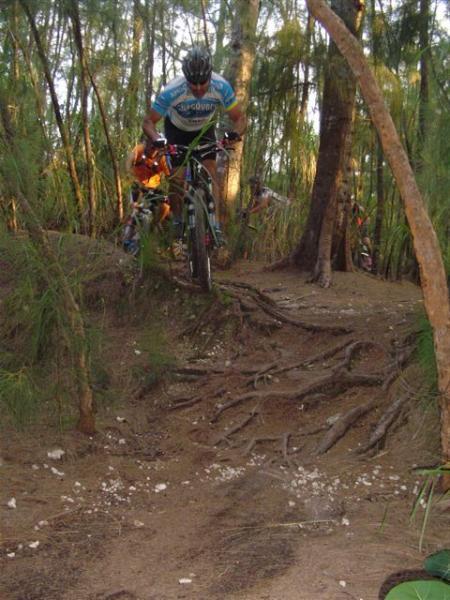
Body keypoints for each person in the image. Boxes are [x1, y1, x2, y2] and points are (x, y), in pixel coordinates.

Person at [142, 46, 246, 248]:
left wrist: (234, 135)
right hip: (177, 131)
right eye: (193, 83)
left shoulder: (221, 86)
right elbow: (148, 122)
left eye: (203, 83)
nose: (198, 88)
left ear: (210, 76)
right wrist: (157, 139)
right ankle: (178, 222)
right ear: (185, 79)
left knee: (211, 171)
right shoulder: (173, 91)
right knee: (177, 179)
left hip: (203, 131)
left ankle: (214, 226)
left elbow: (240, 119)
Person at [122, 140, 171, 254]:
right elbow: (128, 164)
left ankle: (154, 228)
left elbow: (170, 176)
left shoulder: (161, 158)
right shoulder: (139, 150)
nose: (153, 150)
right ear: (147, 144)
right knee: (134, 208)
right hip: (137, 185)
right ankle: (126, 239)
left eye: (156, 148)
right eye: (151, 146)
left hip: (153, 189)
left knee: (166, 207)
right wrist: (132, 178)